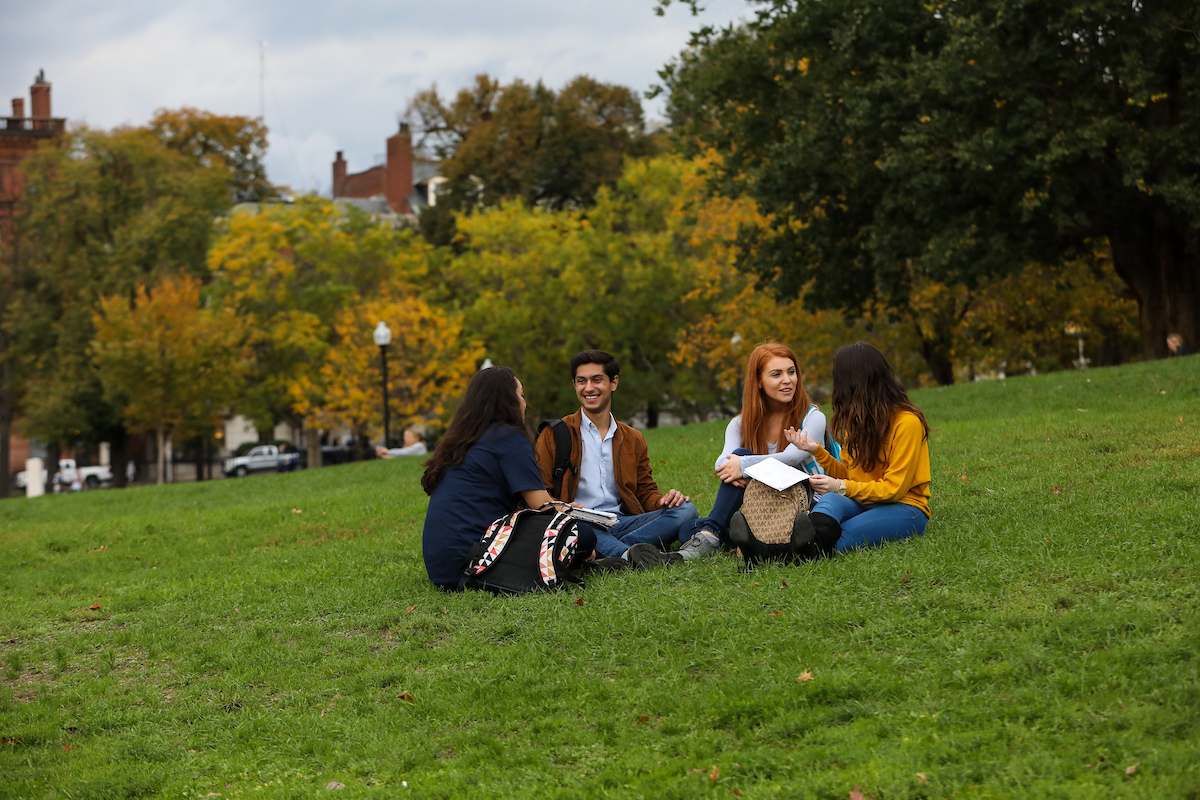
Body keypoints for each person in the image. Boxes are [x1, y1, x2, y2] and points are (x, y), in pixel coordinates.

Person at [630, 342, 828, 566]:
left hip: (803, 505)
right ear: (759, 382)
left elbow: (793, 457)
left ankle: (712, 537)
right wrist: (742, 467)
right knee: (687, 530)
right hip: (764, 506)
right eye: (776, 374)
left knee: (739, 458)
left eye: (791, 372)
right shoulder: (741, 423)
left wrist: (744, 466)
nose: (787, 380)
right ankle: (718, 535)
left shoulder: (812, 417)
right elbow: (722, 463)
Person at [420, 366, 596, 590]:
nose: (524, 402)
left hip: (442, 570)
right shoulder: (508, 437)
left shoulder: (465, 439)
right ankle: (618, 554)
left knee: (573, 531)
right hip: (475, 563)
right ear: (507, 401)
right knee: (583, 534)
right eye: (520, 395)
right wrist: (570, 513)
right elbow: (542, 505)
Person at [534, 350, 697, 561]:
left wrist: (664, 501)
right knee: (579, 528)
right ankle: (628, 555)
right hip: (576, 521)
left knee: (686, 510)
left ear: (614, 382)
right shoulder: (555, 434)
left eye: (597, 380)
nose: (589, 388)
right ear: (574, 385)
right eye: (581, 381)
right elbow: (540, 493)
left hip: (620, 521)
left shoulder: (633, 438)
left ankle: (609, 553)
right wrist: (563, 508)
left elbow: (645, 492)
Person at [782, 342, 931, 557]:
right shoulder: (859, 422)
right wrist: (816, 450)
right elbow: (849, 475)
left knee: (839, 536)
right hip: (865, 501)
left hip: (906, 508)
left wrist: (839, 486)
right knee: (830, 500)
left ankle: (784, 551)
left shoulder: (907, 422)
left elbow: (893, 490)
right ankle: (799, 544)